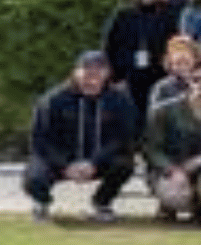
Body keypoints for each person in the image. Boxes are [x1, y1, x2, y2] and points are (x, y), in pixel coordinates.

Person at [23, 50, 138, 224]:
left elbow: (123, 138)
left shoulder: (120, 100)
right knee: (33, 177)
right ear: (75, 73)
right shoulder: (52, 100)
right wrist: (65, 165)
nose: (91, 79)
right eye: (86, 73)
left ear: (107, 74)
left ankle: (102, 203)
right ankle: (42, 203)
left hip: (96, 162)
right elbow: (39, 141)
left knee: (125, 164)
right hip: (60, 161)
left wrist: (94, 162)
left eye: (97, 73)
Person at [140, 60, 201, 222]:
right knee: (175, 198)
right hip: (169, 171)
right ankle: (168, 205)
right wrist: (173, 170)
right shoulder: (162, 110)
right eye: (196, 79)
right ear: (188, 80)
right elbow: (150, 148)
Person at [101, 0, 181, 115]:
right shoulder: (123, 13)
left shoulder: (171, 14)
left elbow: (177, 45)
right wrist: (113, 78)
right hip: (127, 79)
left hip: (160, 78)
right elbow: (109, 46)